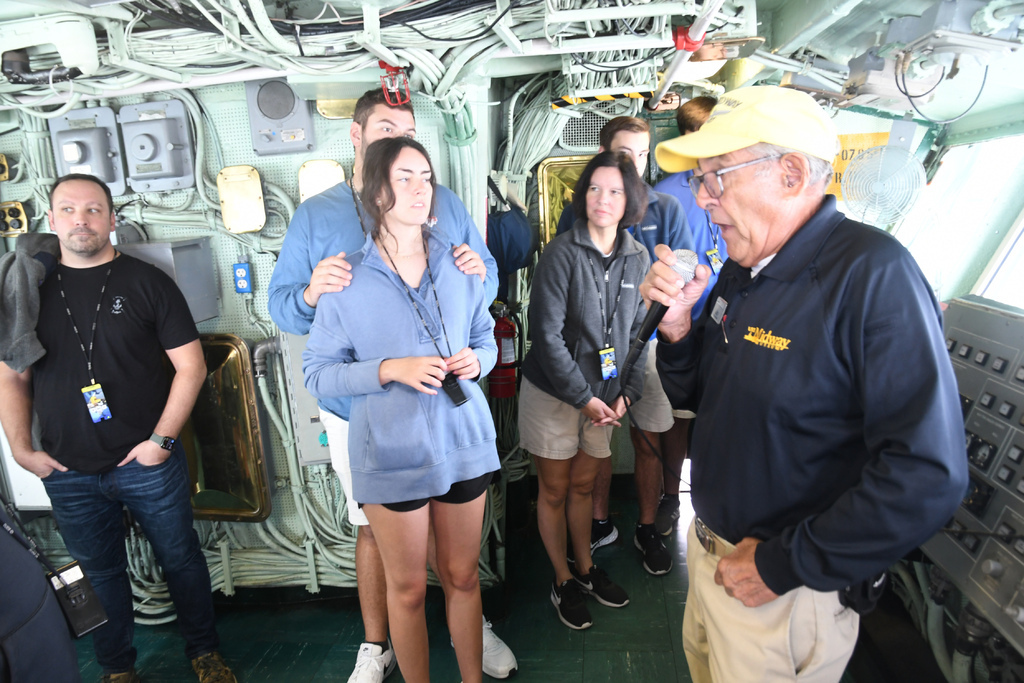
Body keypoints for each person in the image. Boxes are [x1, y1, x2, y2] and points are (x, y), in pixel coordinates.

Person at [645, 85, 968, 683]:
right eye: (700, 181)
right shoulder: (743, 271)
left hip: (783, 593)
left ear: (790, 173)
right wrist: (680, 329)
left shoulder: (874, 276)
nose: (705, 201)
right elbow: (697, 398)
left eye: (716, 178)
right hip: (716, 558)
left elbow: (928, 472)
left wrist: (782, 563)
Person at [267, 88, 516, 682]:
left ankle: (469, 640)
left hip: (457, 427)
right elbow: (301, 335)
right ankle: (378, 648)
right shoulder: (327, 234)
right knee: (385, 550)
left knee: (461, 571)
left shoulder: (450, 227)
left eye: (424, 172)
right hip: (372, 422)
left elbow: (481, 309)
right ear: (363, 147)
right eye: (402, 170)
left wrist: (477, 338)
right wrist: (382, 363)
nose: (419, 185)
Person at [0, 174, 235, 683]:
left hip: (147, 462)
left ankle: (204, 652)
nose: (80, 220)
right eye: (68, 210)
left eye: (92, 210)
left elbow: (191, 367)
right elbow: (12, 377)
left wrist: (161, 442)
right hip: (66, 469)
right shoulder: (28, 290)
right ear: (52, 218)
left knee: (180, 560)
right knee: (99, 573)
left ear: (111, 219)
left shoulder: (147, 282)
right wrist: (21, 449)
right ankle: (117, 669)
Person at [556, 116, 693, 575]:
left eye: (640, 153)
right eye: (622, 154)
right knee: (598, 435)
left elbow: (690, 272)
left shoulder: (667, 209)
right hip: (593, 349)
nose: (633, 163)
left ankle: (649, 526)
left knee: (647, 431)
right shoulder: (580, 211)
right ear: (603, 156)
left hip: (647, 344)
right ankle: (598, 522)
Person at [521, 151, 650, 630]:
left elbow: (640, 333)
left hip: (607, 398)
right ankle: (562, 578)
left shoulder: (638, 258)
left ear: (629, 200)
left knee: (581, 485)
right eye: (595, 188)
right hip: (557, 395)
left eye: (615, 190)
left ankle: (588, 568)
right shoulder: (560, 254)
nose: (603, 199)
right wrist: (585, 398)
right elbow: (547, 338)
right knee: (554, 490)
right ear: (583, 196)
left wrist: (626, 395)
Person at [650, 95, 725, 537]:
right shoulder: (665, 195)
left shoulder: (728, 187)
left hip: (724, 320)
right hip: (680, 322)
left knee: (716, 414)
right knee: (678, 415)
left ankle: (711, 502)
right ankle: (670, 497)